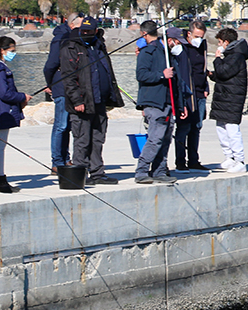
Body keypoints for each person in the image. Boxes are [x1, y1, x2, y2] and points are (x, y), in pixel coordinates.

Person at [61, 17, 122, 186]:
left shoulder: (98, 45)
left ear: (95, 31)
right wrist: (77, 100)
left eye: (89, 31)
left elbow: (106, 71)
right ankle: (80, 172)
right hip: (81, 103)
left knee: (98, 138)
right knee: (82, 139)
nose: (85, 34)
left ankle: (97, 172)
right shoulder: (70, 47)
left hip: (99, 102)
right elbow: (68, 79)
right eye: (83, 31)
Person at [0, 36, 32, 194]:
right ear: (2, 51)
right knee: (0, 146)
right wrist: (22, 96)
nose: (13, 54)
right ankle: (0, 180)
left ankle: (0, 178)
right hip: (0, 109)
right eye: (12, 51)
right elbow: (4, 93)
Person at [134, 21, 180, 185]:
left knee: (166, 138)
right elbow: (141, 75)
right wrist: (161, 75)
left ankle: (159, 170)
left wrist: (179, 105)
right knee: (155, 138)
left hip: (168, 102)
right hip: (154, 102)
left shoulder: (167, 53)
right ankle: (141, 171)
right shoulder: (148, 52)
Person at [43, 13, 83, 174]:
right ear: (72, 25)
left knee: (68, 125)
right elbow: (50, 65)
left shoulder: (76, 38)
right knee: (61, 125)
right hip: (61, 85)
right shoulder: (60, 39)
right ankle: (57, 161)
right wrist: (50, 83)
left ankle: (65, 158)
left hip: (74, 85)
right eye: (81, 27)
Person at [208, 27, 248, 173]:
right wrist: (212, 75)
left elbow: (224, 72)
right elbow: (224, 75)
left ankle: (240, 160)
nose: (219, 45)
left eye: (220, 42)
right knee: (221, 127)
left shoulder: (236, 56)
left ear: (226, 42)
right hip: (224, 97)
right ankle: (229, 157)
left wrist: (217, 59)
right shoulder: (231, 55)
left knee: (232, 129)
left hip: (232, 98)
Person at [174, 19, 210, 172]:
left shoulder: (202, 45)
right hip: (187, 92)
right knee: (184, 127)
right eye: (196, 36)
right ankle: (180, 161)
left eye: (201, 36)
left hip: (200, 91)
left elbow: (203, 68)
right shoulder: (181, 47)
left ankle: (193, 160)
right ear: (189, 34)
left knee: (197, 127)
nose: (199, 39)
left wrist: (206, 86)